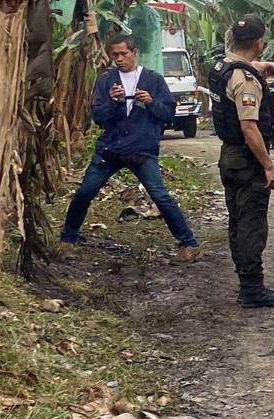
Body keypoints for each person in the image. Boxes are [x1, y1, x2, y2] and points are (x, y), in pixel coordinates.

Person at [59, 35, 200, 263]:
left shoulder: (152, 79)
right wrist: (112, 102)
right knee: (85, 192)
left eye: (124, 54)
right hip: (110, 148)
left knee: (160, 196)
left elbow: (169, 115)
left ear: (134, 52)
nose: (119, 59)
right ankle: (67, 239)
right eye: (115, 55)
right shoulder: (106, 81)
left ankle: (188, 243)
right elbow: (98, 117)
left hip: (141, 148)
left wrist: (152, 102)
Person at [209, 14, 274, 309]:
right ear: (259, 42)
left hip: (228, 156)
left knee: (237, 219)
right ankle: (252, 289)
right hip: (246, 159)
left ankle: (246, 281)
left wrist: (261, 67)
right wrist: (269, 166)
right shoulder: (246, 82)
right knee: (251, 223)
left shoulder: (222, 67)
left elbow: (240, 70)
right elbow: (249, 127)